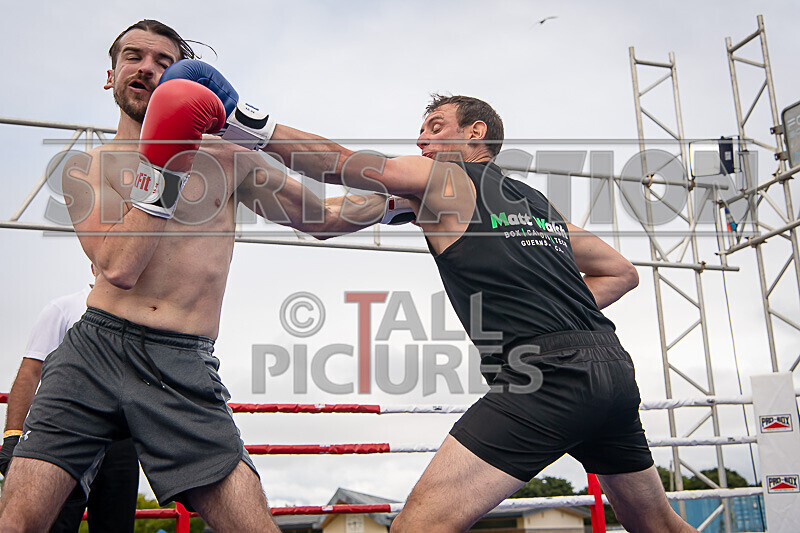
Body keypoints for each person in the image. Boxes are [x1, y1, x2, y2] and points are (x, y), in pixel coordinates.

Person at [164, 61, 694, 532]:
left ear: (475, 132)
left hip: (547, 377)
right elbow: (621, 272)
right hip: (611, 370)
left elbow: (342, 162)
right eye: (418, 134)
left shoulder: (442, 177)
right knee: (657, 524)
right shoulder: (536, 206)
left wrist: (245, 121)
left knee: (420, 526)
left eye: (435, 129)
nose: (421, 143)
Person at [0, 20, 390, 533]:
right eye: (134, 57)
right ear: (111, 74)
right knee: (19, 521)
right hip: (91, 351)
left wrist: (404, 199)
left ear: (184, 77)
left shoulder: (231, 161)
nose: (146, 68)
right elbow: (118, 268)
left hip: (179, 360)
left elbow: (323, 216)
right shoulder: (83, 169)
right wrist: (168, 156)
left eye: (164, 62)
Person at [0, 267, 139, 533]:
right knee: (56, 523)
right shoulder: (63, 308)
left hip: (121, 439)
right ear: (94, 266)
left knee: (116, 526)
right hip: (67, 432)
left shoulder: (138, 316)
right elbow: (30, 371)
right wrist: (12, 435)